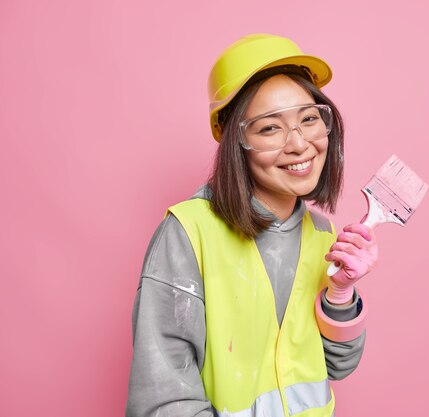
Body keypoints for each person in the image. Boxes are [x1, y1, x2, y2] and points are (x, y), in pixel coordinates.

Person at [126, 33, 378, 417]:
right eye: (270, 128)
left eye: (309, 119)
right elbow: (162, 397)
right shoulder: (188, 233)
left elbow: (336, 366)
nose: (299, 144)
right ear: (235, 142)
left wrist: (340, 294)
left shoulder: (322, 233)